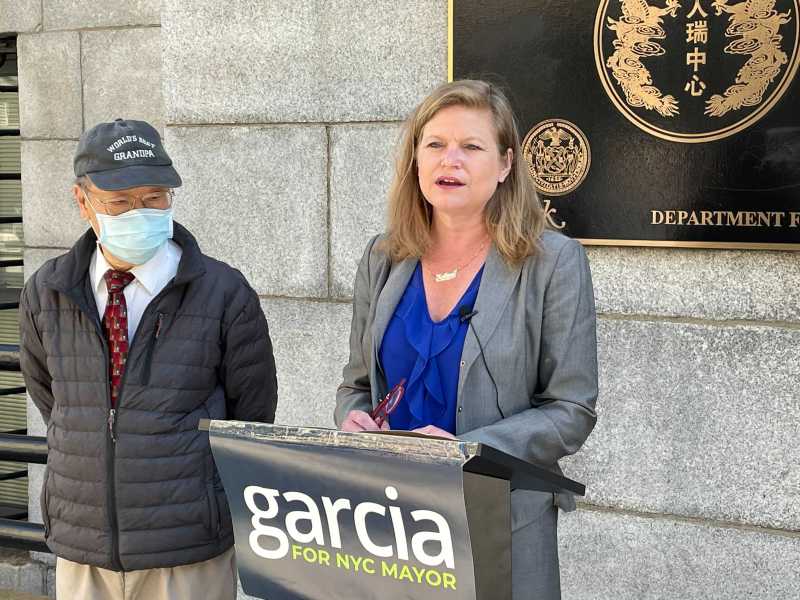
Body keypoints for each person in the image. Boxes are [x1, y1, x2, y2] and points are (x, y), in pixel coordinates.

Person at [335, 80, 598, 599]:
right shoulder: (383, 257)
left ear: (504, 165)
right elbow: (356, 384)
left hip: (498, 519)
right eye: (434, 144)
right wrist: (351, 418)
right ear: (415, 159)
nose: (448, 160)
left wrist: (465, 451)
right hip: (392, 519)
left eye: (470, 147)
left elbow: (571, 410)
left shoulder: (553, 262)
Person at [19, 118, 278, 599]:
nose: (139, 212)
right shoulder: (47, 292)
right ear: (83, 202)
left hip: (186, 547)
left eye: (154, 197)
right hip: (84, 544)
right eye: (119, 203)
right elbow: (53, 398)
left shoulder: (224, 293)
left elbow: (251, 415)